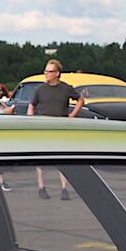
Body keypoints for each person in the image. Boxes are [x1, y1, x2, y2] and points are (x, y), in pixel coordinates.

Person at [27, 59, 84, 200]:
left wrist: (72, 116)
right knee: (41, 159)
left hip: (61, 129)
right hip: (43, 128)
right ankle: (42, 187)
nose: (46, 74)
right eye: (45, 71)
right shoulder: (40, 89)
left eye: (49, 71)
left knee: (62, 158)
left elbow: (80, 100)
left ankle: (64, 188)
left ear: (57, 73)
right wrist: (30, 120)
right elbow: (31, 105)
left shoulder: (65, 88)